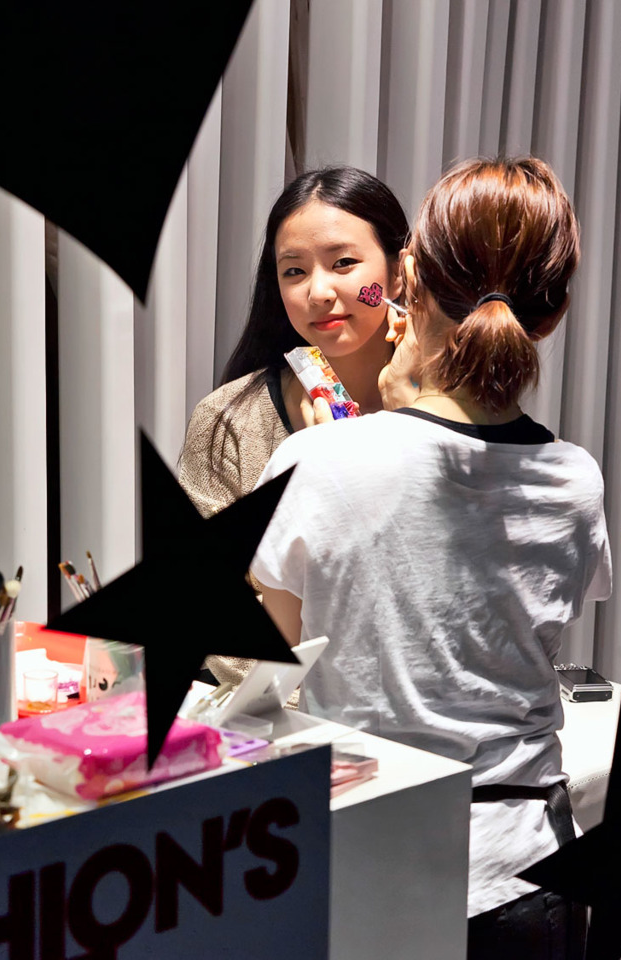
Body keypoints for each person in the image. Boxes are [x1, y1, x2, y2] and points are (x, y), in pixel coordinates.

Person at [250, 157, 611, 959]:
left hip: (369, 860)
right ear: (548, 314)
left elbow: (267, 666)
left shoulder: (318, 464)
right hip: (531, 866)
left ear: (409, 275)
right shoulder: (576, 478)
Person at [176, 166, 409, 689]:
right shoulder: (229, 419)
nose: (318, 291)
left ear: (399, 271)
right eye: (294, 272)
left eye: (344, 263)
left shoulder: (451, 415)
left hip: (421, 723)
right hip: (272, 723)